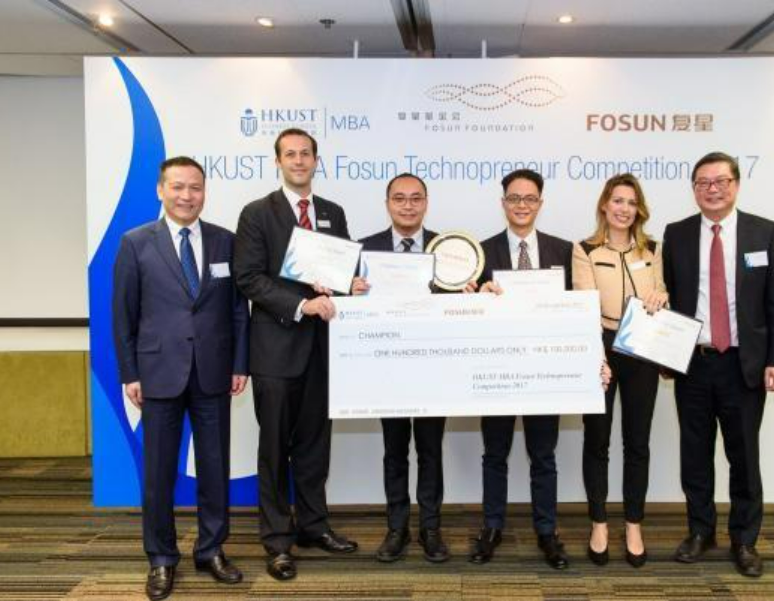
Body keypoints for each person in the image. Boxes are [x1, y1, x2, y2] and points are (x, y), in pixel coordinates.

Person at [113, 156, 249, 600]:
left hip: (214, 372)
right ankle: (160, 557)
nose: (187, 195)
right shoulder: (136, 242)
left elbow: (238, 310)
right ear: (161, 190)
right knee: (158, 473)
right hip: (158, 373)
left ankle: (211, 549)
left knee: (214, 467)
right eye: (177, 187)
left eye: (195, 187)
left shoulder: (225, 241)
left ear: (204, 192)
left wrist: (240, 363)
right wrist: (130, 372)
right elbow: (123, 315)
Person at [233, 128, 357, 582]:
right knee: (273, 450)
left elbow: (341, 270)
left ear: (316, 160)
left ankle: (313, 526)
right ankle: (277, 541)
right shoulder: (256, 213)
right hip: (275, 351)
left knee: (314, 446)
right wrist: (302, 304)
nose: (299, 161)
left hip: (322, 351)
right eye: (291, 154)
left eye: (306, 154)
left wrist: (350, 283)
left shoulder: (332, 212)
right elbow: (249, 278)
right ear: (278, 161)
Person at [663, 151, 774, 577]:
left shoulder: (764, 232)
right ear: (694, 189)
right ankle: (700, 531)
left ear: (736, 184)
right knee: (694, 455)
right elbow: (668, 297)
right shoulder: (677, 234)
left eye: (720, 181)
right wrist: (664, 351)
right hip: (694, 363)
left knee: (745, 457)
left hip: (745, 365)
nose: (712, 189)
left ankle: (744, 540)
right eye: (703, 182)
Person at [471, 168, 574, 570]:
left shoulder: (564, 251)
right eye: (514, 198)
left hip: (545, 372)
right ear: (503, 203)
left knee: (543, 456)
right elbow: (466, 314)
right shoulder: (481, 252)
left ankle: (547, 532)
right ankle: (491, 527)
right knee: (494, 454)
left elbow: (576, 310)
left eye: (529, 198)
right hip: (497, 372)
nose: (522, 205)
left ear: (540, 203)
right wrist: (477, 297)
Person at [352, 173, 449, 563]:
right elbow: (345, 306)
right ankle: (397, 528)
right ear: (387, 204)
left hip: (434, 369)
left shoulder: (448, 249)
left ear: (426, 203)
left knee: (430, 451)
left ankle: (430, 528)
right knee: (394, 451)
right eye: (399, 198)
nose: (408, 206)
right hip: (386, 369)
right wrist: (351, 292)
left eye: (416, 198)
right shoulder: (364, 250)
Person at [572, 173, 667, 568]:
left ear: (638, 209)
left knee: (637, 442)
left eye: (631, 202)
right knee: (597, 440)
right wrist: (598, 356)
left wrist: (661, 296)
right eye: (617, 201)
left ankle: (633, 525)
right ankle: (598, 524)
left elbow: (662, 291)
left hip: (642, 348)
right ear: (604, 205)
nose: (624, 209)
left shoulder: (653, 249)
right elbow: (583, 308)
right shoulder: (585, 249)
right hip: (602, 347)